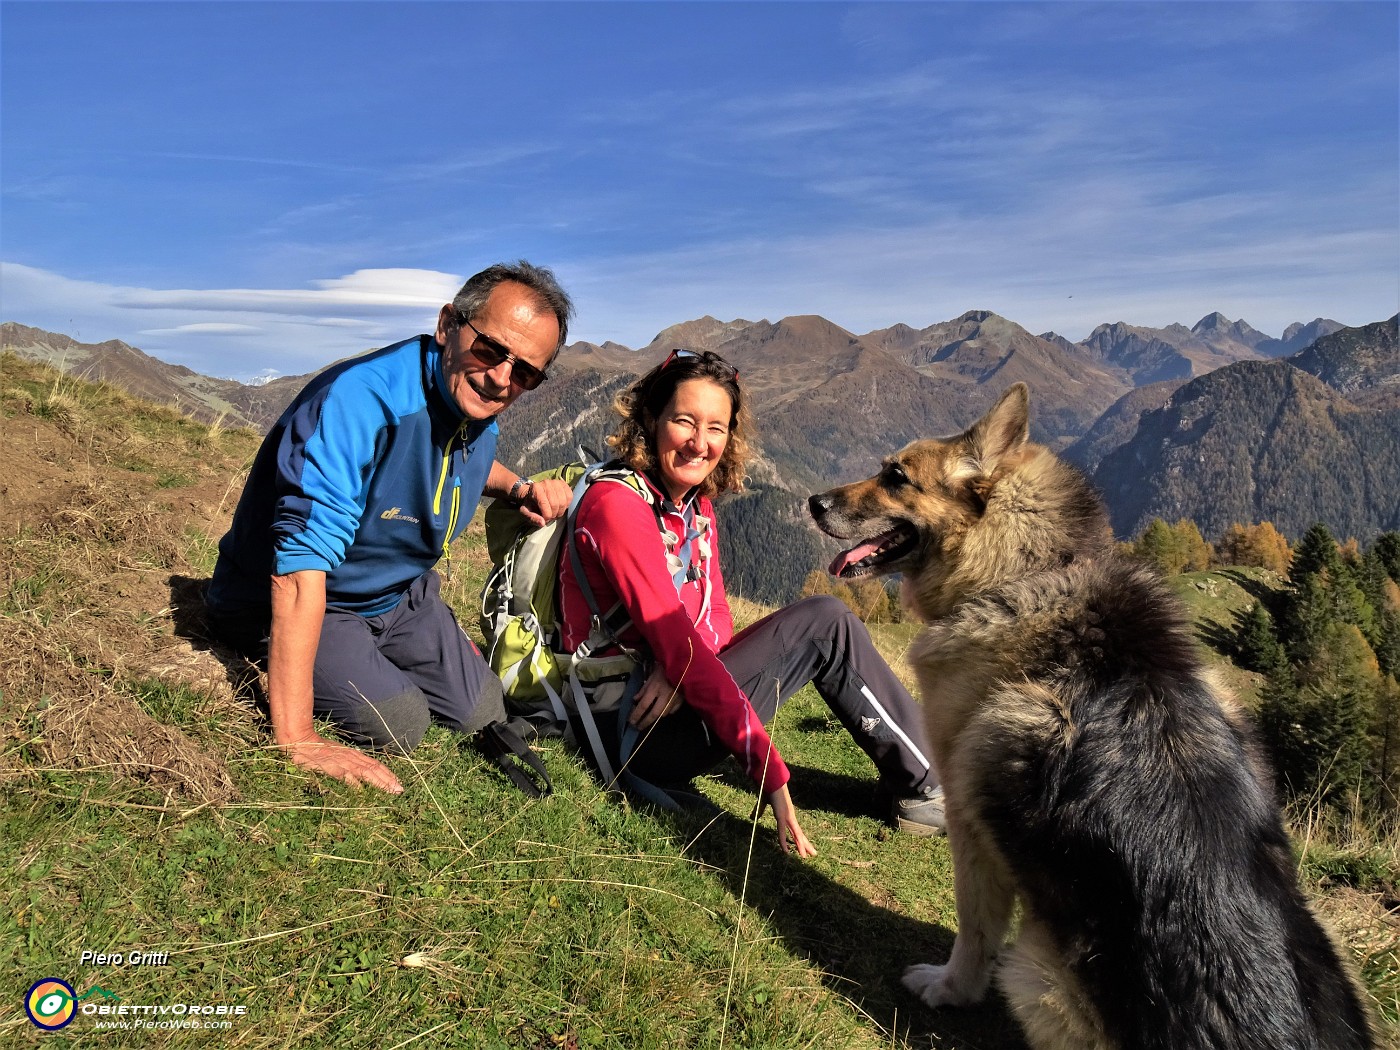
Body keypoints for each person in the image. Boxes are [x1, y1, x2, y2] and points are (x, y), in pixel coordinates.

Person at [205, 261, 575, 794]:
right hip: (316, 598)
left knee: (483, 708)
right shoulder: (364, 401)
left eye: (525, 373)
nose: (501, 378)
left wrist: (519, 488)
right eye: (491, 350)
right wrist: (297, 737)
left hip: (401, 597)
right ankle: (300, 662)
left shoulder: (467, 405)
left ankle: (377, 661)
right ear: (448, 325)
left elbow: (459, 464)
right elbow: (298, 568)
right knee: (402, 724)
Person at [557, 349, 944, 856]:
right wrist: (771, 774)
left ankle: (926, 771)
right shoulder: (619, 507)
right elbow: (680, 641)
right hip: (627, 733)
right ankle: (929, 786)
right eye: (684, 421)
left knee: (825, 621)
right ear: (651, 419)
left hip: (658, 706)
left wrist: (680, 669)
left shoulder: (692, 508)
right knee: (826, 623)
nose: (701, 443)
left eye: (716, 427)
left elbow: (714, 616)